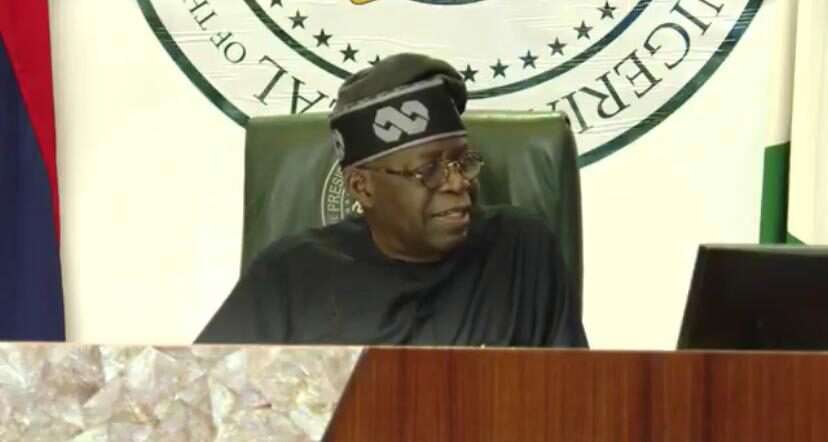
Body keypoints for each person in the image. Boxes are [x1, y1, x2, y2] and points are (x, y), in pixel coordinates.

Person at [197, 53, 588, 347]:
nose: (457, 182)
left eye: (462, 161)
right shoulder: (289, 277)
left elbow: (575, 402)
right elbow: (200, 405)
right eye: (429, 170)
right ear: (362, 188)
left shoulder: (521, 251)